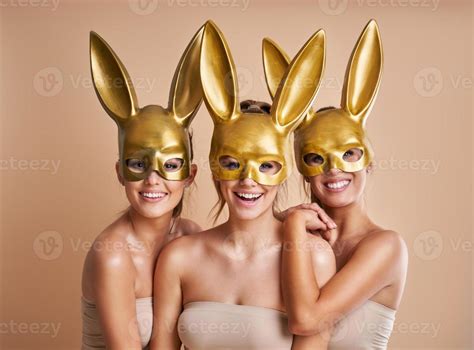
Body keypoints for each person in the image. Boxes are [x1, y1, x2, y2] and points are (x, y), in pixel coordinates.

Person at [150, 20, 337, 349]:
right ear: (214, 169)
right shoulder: (178, 258)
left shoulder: (316, 257)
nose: (248, 180)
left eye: (266, 165)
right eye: (232, 164)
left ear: (284, 171)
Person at [267, 20, 409, 349]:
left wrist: (289, 225)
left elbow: (306, 320)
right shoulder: (294, 235)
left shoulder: (385, 247)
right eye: (316, 158)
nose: (333, 169)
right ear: (301, 168)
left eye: (349, 153)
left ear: (369, 160)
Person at [81, 24, 205, 349]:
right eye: (138, 164)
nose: (153, 179)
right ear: (120, 172)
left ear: (190, 175)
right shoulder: (113, 255)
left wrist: (290, 223)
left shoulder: (190, 236)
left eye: (171, 166)